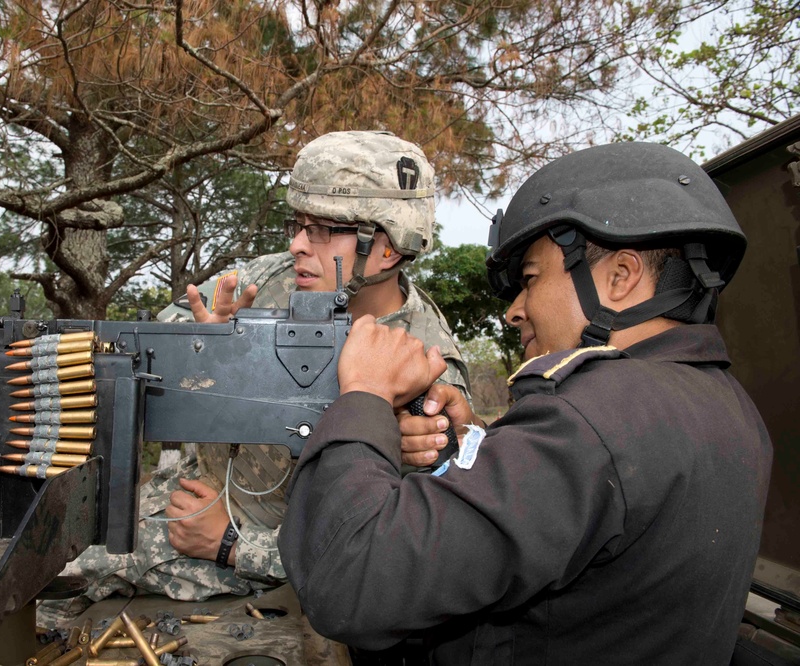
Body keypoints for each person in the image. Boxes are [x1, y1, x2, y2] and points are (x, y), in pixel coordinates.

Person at [278, 142, 773, 664]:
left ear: (621, 278)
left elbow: (349, 580)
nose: (515, 311)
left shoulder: (592, 418)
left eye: (531, 279)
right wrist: (477, 451)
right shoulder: (731, 408)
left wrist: (364, 396)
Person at [37, 130, 470, 626]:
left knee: (43, 574)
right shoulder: (272, 278)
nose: (297, 244)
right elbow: (144, 349)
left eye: (322, 230)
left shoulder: (429, 372)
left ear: (387, 248)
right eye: (298, 225)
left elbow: (390, 555)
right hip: (174, 497)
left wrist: (232, 544)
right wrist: (208, 352)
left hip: (252, 555)